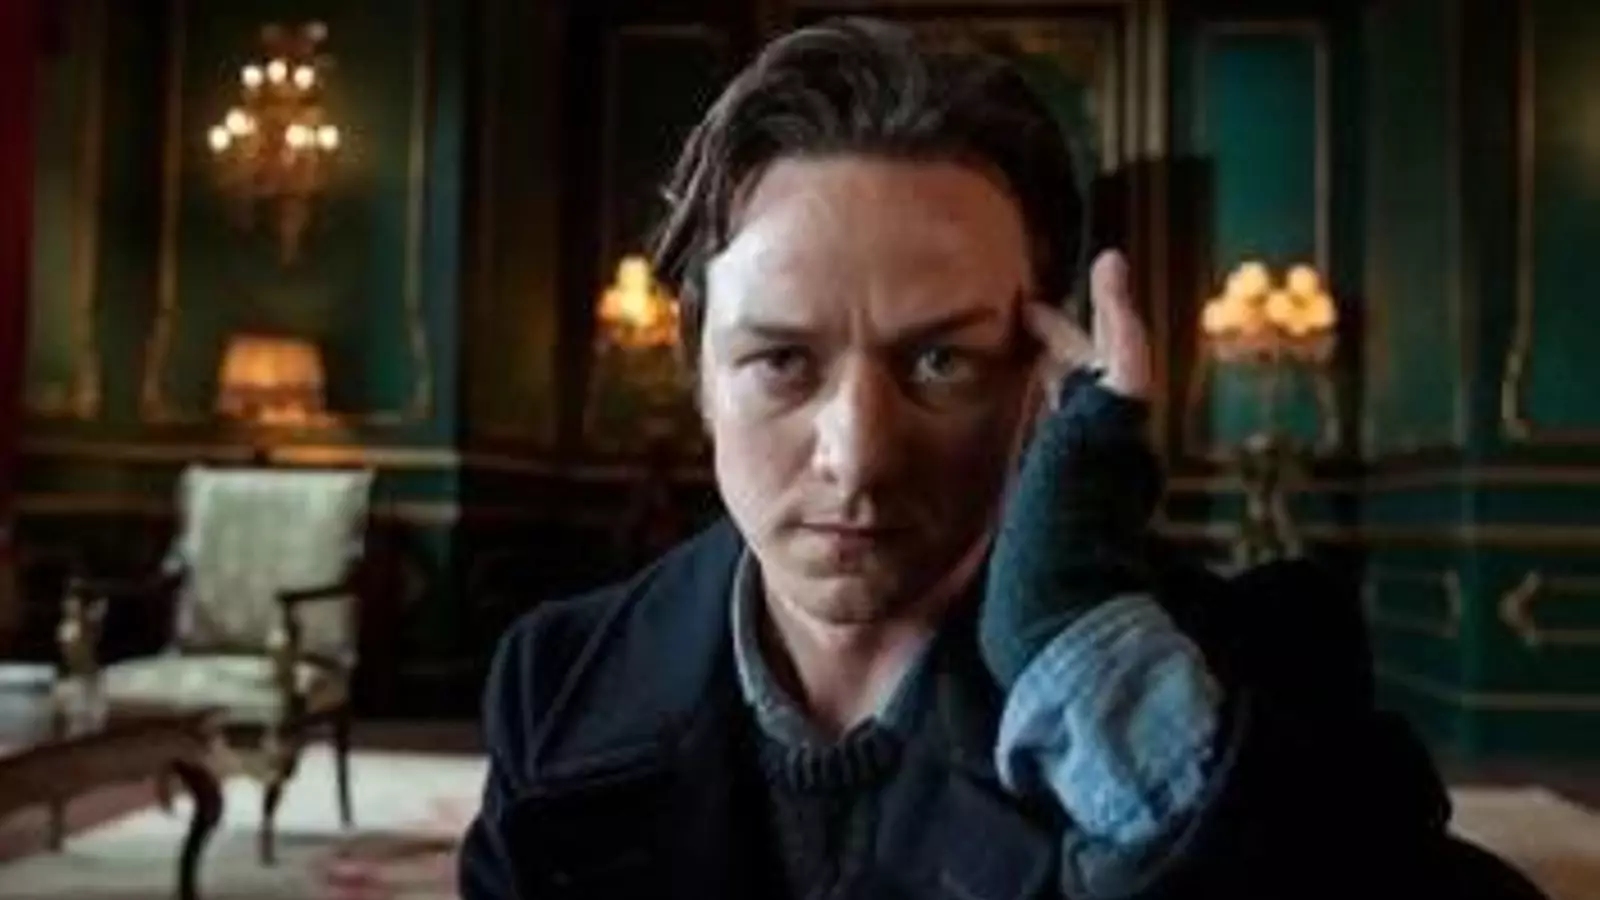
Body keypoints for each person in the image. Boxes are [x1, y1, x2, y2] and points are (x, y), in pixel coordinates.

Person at [459, 17, 1546, 900]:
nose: (857, 457)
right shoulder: (559, 682)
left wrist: (1106, 694)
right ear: (698, 369)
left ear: (1046, 377)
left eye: (941, 362)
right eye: (782, 362)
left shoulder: (1244, 674)